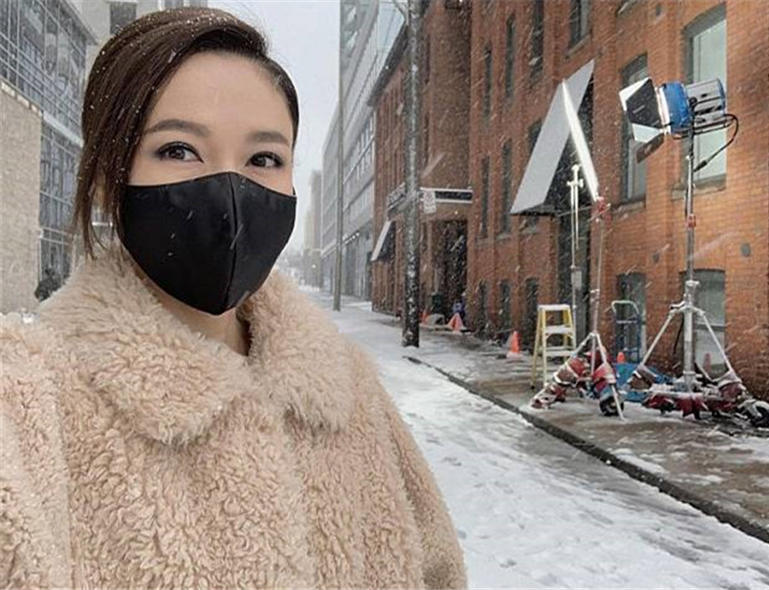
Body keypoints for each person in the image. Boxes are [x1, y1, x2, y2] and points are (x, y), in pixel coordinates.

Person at [0, 7, 467, 589]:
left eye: (264, 159)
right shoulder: (28, 405)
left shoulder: (348, 392)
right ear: (105, 180)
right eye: (178, 149)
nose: (230, 190)